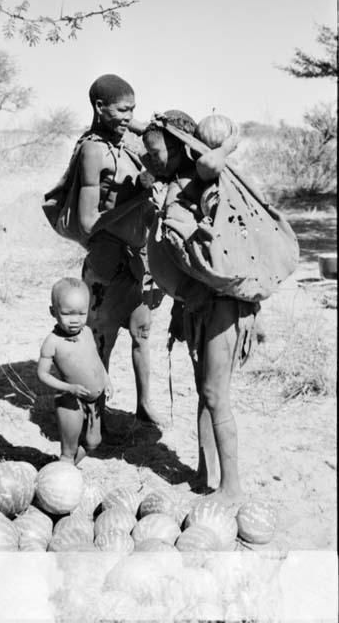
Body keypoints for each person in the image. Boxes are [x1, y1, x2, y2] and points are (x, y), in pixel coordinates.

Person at [141, 110, 255, 506]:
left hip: (221, 305)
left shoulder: (202, 178)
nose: (148, 158)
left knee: (214, 394)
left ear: (179, 147)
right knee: (203, 393)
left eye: (155, 152)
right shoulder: (175, 181)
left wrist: (227, 144)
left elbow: (209, 162)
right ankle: (206, 474)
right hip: (196, 303)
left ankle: (232, 487)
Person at [69, 74, 165, 432]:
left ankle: (143, 406)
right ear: (99, 107)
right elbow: (89, 221)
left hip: (139, 260)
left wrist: (137, 121)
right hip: (107, 263)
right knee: (102, 342)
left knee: (141, 334)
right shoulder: (93, 150)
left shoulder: (128, 142)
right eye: (122, 110)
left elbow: (156, 136)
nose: (129, 116)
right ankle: (96, 419)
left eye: (133, 110)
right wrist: (136, 199)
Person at [37, 277, 113, 464]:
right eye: (67, 314)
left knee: (94, 442)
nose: (75, 320)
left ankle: (65, 470)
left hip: (94, 400)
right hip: (71, 401)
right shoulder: (53, 342)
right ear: (53, 312)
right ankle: (65, 469)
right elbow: (42, 374)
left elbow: (96, 359)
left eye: (81, 313)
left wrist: (106, 380)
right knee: (68, 450)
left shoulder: (86, 332)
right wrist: (69, 388)